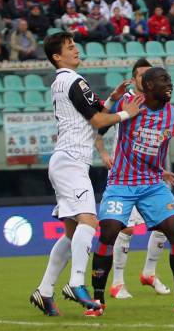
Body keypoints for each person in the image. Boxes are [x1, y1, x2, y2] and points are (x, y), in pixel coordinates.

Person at [29, 32, 142, 316]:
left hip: (66, 160)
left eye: (75, 45)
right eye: (69, 47)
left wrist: (113, 100)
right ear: (57, 57)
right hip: (71, 161)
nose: (76, 50)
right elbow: (99, 121)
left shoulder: (60, 82)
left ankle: (44, 291)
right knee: (90, 221)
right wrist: (127, 113)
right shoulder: (74, 80)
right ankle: (77, 283)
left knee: (71, 233)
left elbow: (97, 121)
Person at [90, 66, 174, 315]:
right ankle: (97, 301)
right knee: (109, 230)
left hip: (153, 184)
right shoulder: (130, 103)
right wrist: (114, 101)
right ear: (149, 85)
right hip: (120, 182)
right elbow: (99, 123)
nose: (170, 84)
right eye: (164, 80)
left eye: (170, 80)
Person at [89, 59, 173, 306]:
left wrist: (162, 171)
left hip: (152, 177)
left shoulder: (160, 104)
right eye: (141, 75)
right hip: (124, 178)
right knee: (124, 229)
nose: (146, 78)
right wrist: (104, 155)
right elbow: (98, 132)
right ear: (135, 80)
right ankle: (117, 282)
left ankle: (149, 273)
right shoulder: (126, 102)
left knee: (164, 226)